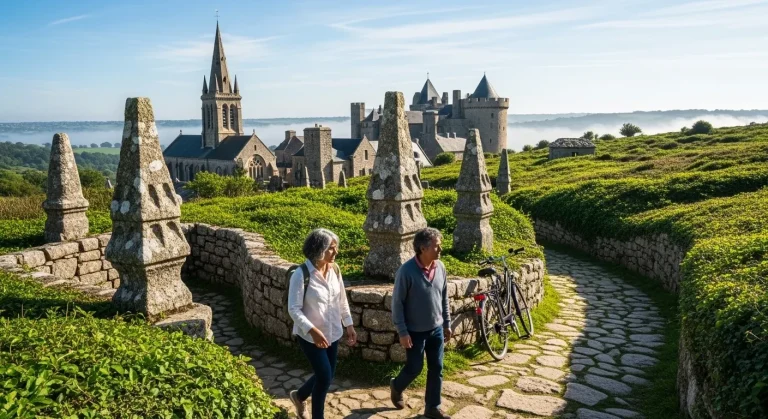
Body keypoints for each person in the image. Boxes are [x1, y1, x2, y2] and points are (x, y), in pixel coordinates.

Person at [287, 228, 357, 419]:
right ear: (318, 249)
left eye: (335, 248)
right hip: (310, 337)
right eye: (331, 249)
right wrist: (313, 330)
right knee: (325, 377)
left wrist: (348, 324)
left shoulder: (334, 270)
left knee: (326, 375)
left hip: (333, 333)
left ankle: (299, 396)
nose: (336, 252)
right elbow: (293, 309)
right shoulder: (301, 275)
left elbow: (341, 299)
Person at [390, 227, 452, 419]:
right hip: (414, 332)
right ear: (423, 248)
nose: (440, 250)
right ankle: (396, 386)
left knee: (437, 367)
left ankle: (432, 407)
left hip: (436, 329)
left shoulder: (440, 267)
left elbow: (444, 297)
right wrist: (402, 332)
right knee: (415, 368)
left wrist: (447, 323)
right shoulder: (406, 271)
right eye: (437, 246)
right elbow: (397, 304)